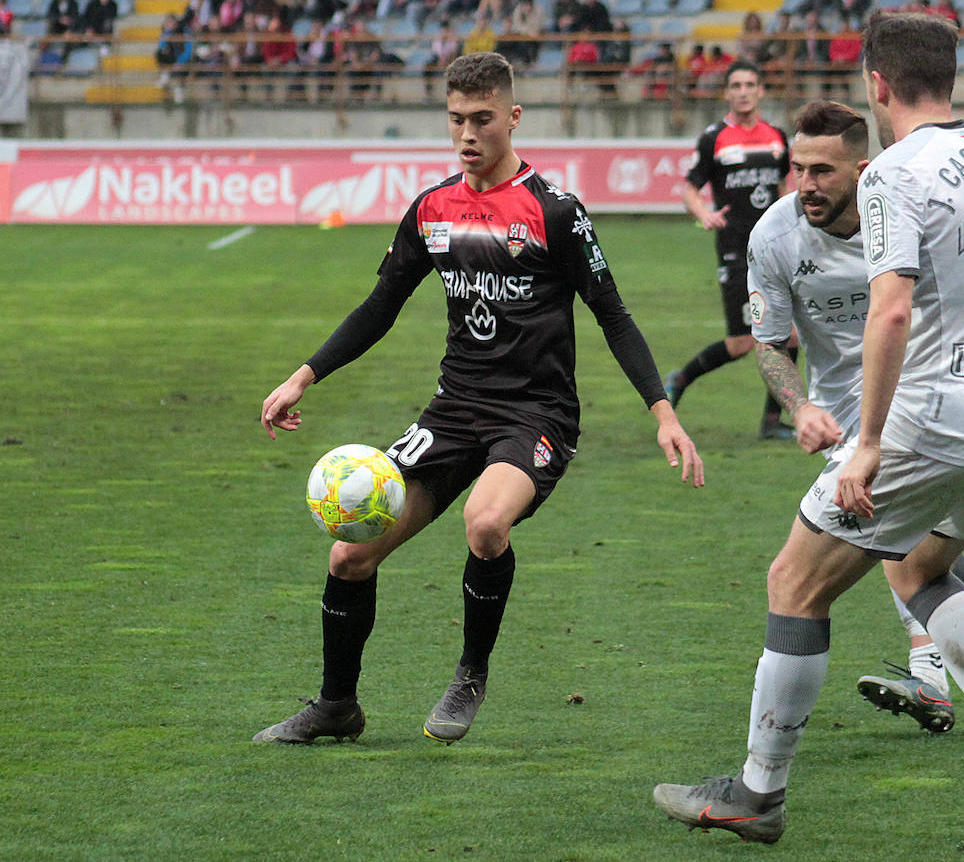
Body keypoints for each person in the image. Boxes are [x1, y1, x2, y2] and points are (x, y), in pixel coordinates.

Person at [653, 13, 964, 846]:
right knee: (924, 571)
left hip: (928, 419)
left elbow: (890, 310)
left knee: (795, 582)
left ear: (877, 85)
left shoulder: (893, 171)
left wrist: (873, 442)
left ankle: (758, 792)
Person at [253, 52, 704, 746]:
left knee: (486, 524)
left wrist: (663, 412)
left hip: (535, 415)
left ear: (513, 117)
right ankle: (336, 705)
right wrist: (303, 375)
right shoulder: (433, 209)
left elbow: (612, 314)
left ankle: (469, 675)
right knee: (349, 554)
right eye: (457, 119)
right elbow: (381, 306)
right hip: (452, 412)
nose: (467, 133)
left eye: (482, 119)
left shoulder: (555, 211)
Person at [664, 59, 796, 440]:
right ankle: (682, 378)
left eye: (749, 84)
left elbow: (784, 186)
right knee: (742, 342)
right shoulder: (714, 138)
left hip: (776, 248)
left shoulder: (776, 136)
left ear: (760, 90)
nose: (743, 91)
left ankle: (773, 422)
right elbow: (690, 187)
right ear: (728, 92)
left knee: (789, 336)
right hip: (736, 249)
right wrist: (703, 212)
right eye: (736, 85)